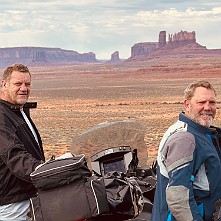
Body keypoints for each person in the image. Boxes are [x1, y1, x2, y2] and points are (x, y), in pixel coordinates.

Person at [151, 80, 221, 221]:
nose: (208, 107)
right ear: (187, 105)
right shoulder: (184, 139)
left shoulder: (201, 132)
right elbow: (179, 199)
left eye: (212, 102)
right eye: (201, 102)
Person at [0, 64, 45, 220]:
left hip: (27, 198)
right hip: (12, 205)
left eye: (27, 84)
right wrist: (45, 171)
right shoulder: (2, 116)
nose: (24, 88)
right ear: (4, 84)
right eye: (18, 84)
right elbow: (15, 156)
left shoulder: (17, 110)